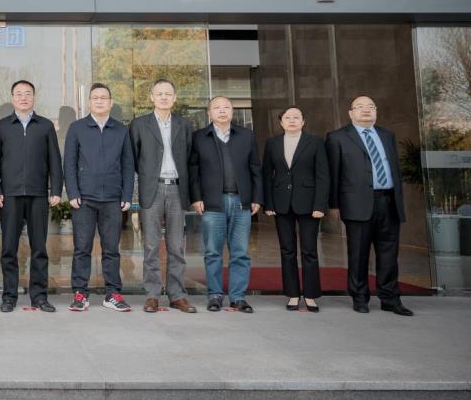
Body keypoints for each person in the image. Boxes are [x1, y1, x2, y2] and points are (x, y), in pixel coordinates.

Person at [326, 95, 412, 316]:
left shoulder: (387, 135)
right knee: (358, 254)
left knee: (389, 254)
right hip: (356, 203)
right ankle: (360, 297)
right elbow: (333, 173)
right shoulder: (337, 137)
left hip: (388, 201)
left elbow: (394, 168)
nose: (366, 110)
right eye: (360, 106)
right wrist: (333, 205)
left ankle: (390, 298)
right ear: (351, 113)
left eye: (371, 106)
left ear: (376, 111)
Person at [0, 80, 62, 313]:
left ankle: (39, 296)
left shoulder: (45, 126)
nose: (23, 97)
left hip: (38, 195)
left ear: (34, 97)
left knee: (39, 248)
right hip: (9, 196)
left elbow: (55, 161)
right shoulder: (2, 126)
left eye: (28, 94)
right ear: (12, 98)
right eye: (19, 94)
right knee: (8, 249)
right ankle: (9, 296)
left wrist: (56, 190)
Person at [63, 83, 135, 313]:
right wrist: (72, 192)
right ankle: (80, 293)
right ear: (89, 102)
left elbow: (128, 164)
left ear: (111, 102)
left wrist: (126, 194)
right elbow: (69, 163)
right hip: (84, 199)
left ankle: (113, 294)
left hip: (113, 198)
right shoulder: (77, 128)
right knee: (82, 248)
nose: (100, 101)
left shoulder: (121, 130)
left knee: (111, 249)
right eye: (95, 98)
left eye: (104, 97)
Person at [189, 96, 263, 313]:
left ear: (232, 111)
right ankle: (214, 294)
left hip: (241, 202)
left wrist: (257, 198)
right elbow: (193, 171)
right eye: (217, 107)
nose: (222, 111)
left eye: (226, 107)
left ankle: (238, 297)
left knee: (240, 252)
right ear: (209, 113)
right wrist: (196, 198)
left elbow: (255, 168)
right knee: (213, 251)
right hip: (213, 202)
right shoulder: (199, 137)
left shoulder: (246, 136)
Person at [129, 78, 197, 314]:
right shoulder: (139, 124)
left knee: (176, 245)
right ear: (151, 97)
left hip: (177, 189)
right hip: (152, 189)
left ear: (174, 98)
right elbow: (133, 160)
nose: (164, 97)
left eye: (168, 93)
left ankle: (177, 295)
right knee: (151, 245)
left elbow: (191, 159)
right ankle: (152, 295)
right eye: (159, 94)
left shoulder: (184, 124)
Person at [262, 106, 330, 313]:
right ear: (281, 122)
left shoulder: (315, 142)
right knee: (287, 250)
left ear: (303, 121)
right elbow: (267, 174)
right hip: (281, 204)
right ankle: (292, 294)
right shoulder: (272, 143)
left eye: (296, 117)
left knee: (310, 250)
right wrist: (269, 203)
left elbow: (323, 175)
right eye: (287, 117)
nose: (292, 120)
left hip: (309, 204)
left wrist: (320, 205)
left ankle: (310, 295)